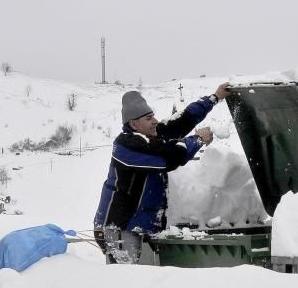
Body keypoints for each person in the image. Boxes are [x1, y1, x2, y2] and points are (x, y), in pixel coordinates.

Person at [93, 83, 231, 264]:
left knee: (142, 282)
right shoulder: (127, 146)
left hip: (139, 225)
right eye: (149, 118)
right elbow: (169, 157)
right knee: (125, 281)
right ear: (134, 124)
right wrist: (197, 140)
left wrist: (215, 97)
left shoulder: (151, 135)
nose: (155, 121)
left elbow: (184, 120)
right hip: (119, 227)